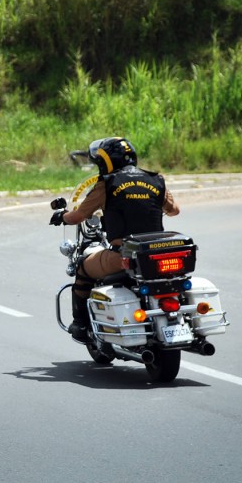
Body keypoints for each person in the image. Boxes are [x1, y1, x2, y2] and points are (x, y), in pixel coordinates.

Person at [49, 137, 180, 341]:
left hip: (123, 256)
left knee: (83, 267)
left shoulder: (108, 184)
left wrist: (62, 216)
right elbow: (174, 210)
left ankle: (80, 325)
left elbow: (77, 217)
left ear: (106, 162)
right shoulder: (156, 179)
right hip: (156, 253)